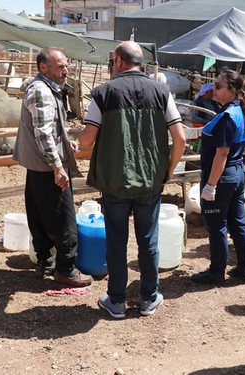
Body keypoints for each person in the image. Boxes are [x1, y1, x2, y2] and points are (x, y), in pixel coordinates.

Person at [78, 41, 186, 318]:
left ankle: (116, 301)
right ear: (141, 62)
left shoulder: (103, 92)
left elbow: (88, 139)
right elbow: (180, 137)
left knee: (116, 241)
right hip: (150, 180)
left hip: (115, 181)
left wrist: (80, 137)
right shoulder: (162, 91)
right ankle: (149, 298)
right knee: (148, 241)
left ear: (117, 61)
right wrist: (170, 169)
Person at [13, 46, 93, 288]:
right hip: (48, 167)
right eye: (60, 67)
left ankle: (45, 261)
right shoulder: (41, 91)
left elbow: (46, 129)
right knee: (63, 217)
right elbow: (43, 134)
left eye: (66, 66)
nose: (65, 71)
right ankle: (66, 269)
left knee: (38, 213)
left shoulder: (44, 88)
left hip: (37, 164)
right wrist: (58, 167)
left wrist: (64, 142)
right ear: (43, 68)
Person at [191, 69, 245, 285]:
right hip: (236, 174)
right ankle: (244, 269)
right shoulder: (238, 112)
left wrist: (210, 185)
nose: (213, 89)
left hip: (223, 176)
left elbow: (222, 153)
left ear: (232, 91)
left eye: (218, 86)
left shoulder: (228, 117)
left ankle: (216, 272)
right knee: (238, 223)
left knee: (216, 224)